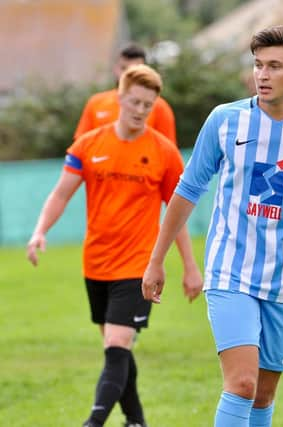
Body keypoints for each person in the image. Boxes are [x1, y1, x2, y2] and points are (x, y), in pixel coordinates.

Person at [141, 24, 283, 426]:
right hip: (231, 268)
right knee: (241, 383)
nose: (262, 75)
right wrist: (156, 260)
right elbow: (187, 189)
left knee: (262, 393)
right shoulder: (225, 120)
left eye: (274, 66)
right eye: (258, 65)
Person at [26, 65, 203, 427]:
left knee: (118, 345)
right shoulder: (88, 146)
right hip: (96, 263)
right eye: (135, 102)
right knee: (115, 350)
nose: (140, 110)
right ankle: (136, 421)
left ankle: (93, 423)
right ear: (120, 98)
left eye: (148, 105)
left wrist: (189, 266)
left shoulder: (164, 152)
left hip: (139, 265)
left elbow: (177, 213)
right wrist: (40, 231)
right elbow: (61, 194)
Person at [75, 43, 177, 144]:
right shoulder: (96, 103)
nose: (128, 74)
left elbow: (168, 151)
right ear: (115, 68)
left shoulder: (160, 107)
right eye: (123, 68)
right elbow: (81, 146)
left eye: (134, 69)